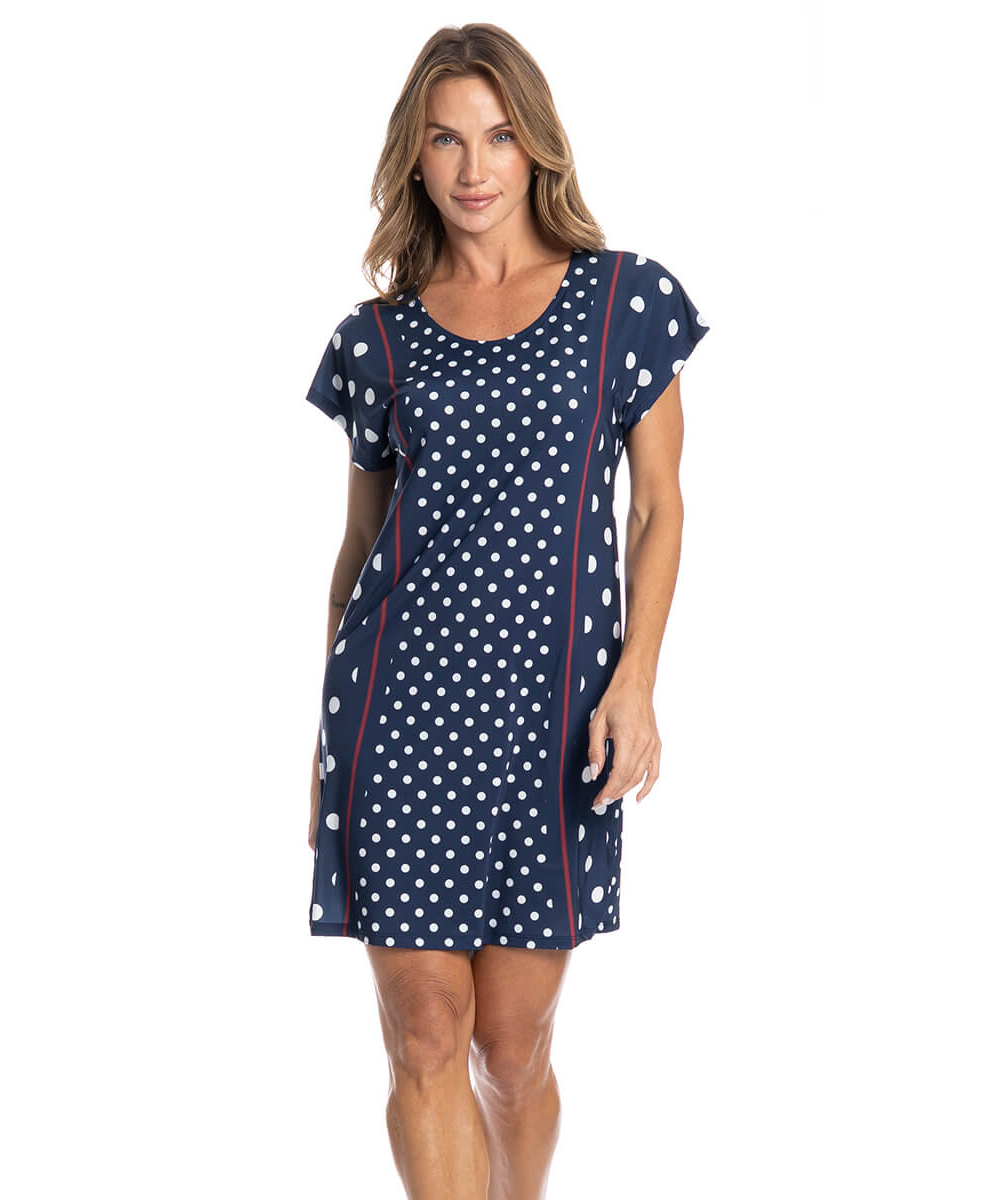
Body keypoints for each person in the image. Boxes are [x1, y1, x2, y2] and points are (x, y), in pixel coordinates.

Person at [303, 22, 710, 1200]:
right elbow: (360, 550)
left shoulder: (623, 300)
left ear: (536, 147)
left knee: (510, 1048)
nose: (473, 166)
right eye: (446, 140)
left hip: (553, 715)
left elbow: (658, 508)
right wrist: (322, 749)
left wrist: (636, 683)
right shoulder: (377, 340)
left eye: (496, 136)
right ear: (415, 157)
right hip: (400, 715)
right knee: (424, 1034)